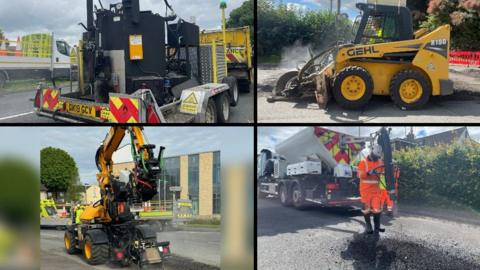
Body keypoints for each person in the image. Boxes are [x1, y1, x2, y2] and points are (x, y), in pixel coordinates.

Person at [357, 144, 385, 234]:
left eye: (378, 156)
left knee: (377, 209)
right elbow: (360, 175)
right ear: (371, 152)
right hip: (365, 190)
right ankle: (368, 226)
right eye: (376, 156)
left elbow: (384, 172)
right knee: (366, 209)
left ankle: (377, 227)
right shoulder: (363, 162)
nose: (377, 157)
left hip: (376, 190)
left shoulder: (380, 162)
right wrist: (368, 173)